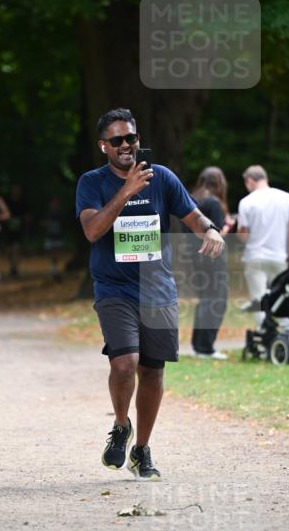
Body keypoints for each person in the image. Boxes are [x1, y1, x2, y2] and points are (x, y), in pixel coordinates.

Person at [76, 108, 225, 481]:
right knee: (124, 363)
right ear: (103, 146)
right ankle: (121, 425)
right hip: (115, 287)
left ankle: (141, 448)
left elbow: (193, 217)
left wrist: (211, 230)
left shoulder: (163, 179)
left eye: (131, 138)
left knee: (153, 372)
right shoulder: (91, 182)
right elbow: (92, 231)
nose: (126, 146)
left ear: (138, 140)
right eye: (117, 141)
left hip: (158, 289)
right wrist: (126, 191)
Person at [237, 165, 289, 326]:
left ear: (250, 181)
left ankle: (265, 333)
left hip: (255, 256)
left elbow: (243, 237)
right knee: (283, 296)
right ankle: (287, 331)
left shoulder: (246, 202)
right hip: (279, 257)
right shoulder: (286, 198)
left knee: (258, 299)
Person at [187, 166, 230, 359]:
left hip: (196, 256)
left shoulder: (192, 199)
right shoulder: (213, 202)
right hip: (213, 256)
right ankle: (206, 347)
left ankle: (199, 345)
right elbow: (217, 233)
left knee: (206, 299)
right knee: (217, 299)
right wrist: (229, 226)